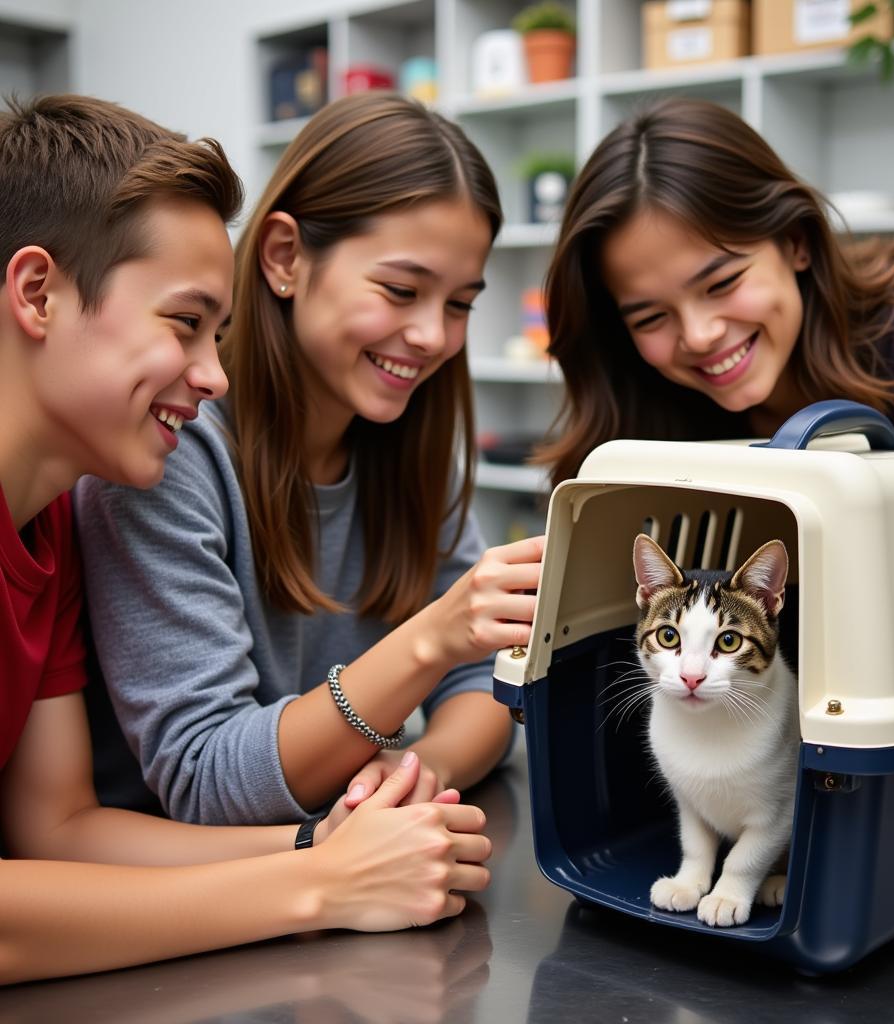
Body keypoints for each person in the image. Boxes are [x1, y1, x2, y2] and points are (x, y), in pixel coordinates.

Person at [0, 94, 493, 985]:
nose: (213, 375)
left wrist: (334, 837)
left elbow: (56, 830)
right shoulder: (145, 471)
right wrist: (317, 882)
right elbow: (189, 778)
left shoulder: (52, 520)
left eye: (460, 302)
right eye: (185, 324)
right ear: (38, 293)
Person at [536, 96, 894, 901]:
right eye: (651, 317)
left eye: (722, 280)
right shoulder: (647, 425)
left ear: (796, 242)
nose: (697, 337)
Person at [76, 92, 544, 827]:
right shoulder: (168, 444)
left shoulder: (405, 444)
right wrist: (429, 638)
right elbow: (207, 778)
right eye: (400, 290)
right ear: (286, 257)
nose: (431, 336)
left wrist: (422, 768)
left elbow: (485, 679)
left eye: (460, 304)